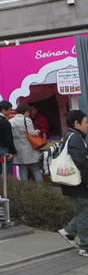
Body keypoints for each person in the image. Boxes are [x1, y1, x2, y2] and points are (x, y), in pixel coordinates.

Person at [57, 110, 88, 257]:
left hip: (73, 181)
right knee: (84, 214)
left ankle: (69, 231)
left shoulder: (70, 135)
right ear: (77, 123)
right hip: (78, 182)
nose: (87, 125)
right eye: (86, 122)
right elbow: (81, 161)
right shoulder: (75, 137)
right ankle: (84, 246)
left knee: (84, 211)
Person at [9, 104, 43, 181]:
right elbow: (31, 133)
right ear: (26, 111)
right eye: (29, 112)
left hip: (18, 147)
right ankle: (40, 186)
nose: (29, 114)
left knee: (22, 169)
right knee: (35, 168)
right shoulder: (27, 120)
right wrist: (37, 131)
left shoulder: (11, 121)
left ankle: (24, 187)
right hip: (29, 146)